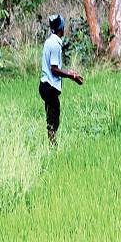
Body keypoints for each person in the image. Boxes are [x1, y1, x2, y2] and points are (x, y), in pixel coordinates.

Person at [40, 15, 83, 145]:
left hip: (44, 85)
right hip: (50, 87)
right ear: (61, 28)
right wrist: (72, 76)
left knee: (51, 116)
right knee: (53, 119)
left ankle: (52, 143)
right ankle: (52, 146)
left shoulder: (49, 41)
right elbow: (54, 69)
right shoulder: (55, 45)